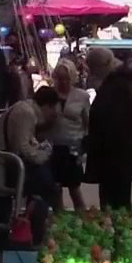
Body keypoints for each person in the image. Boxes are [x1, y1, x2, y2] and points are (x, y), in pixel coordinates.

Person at [84, 47, 132, 208]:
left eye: (93, 68)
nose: (92, 74)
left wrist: (92, 141)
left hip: (116, 156)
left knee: (114, 203)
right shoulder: (122, 82)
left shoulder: (118, 86)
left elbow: (114, 124)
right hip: (120, 155)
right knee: (117, 201)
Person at [48, 63, 91, 211]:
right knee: (55, 188)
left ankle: (82, 220)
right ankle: (59, 220)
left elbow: (88, 123)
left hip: (73, 148)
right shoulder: (50, 94)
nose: (63, 82)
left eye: (66, 78)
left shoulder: (82, 96)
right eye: (59, 78)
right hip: (52, 147)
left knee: (74, 188)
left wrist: (83, 147)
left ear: (72, 78)